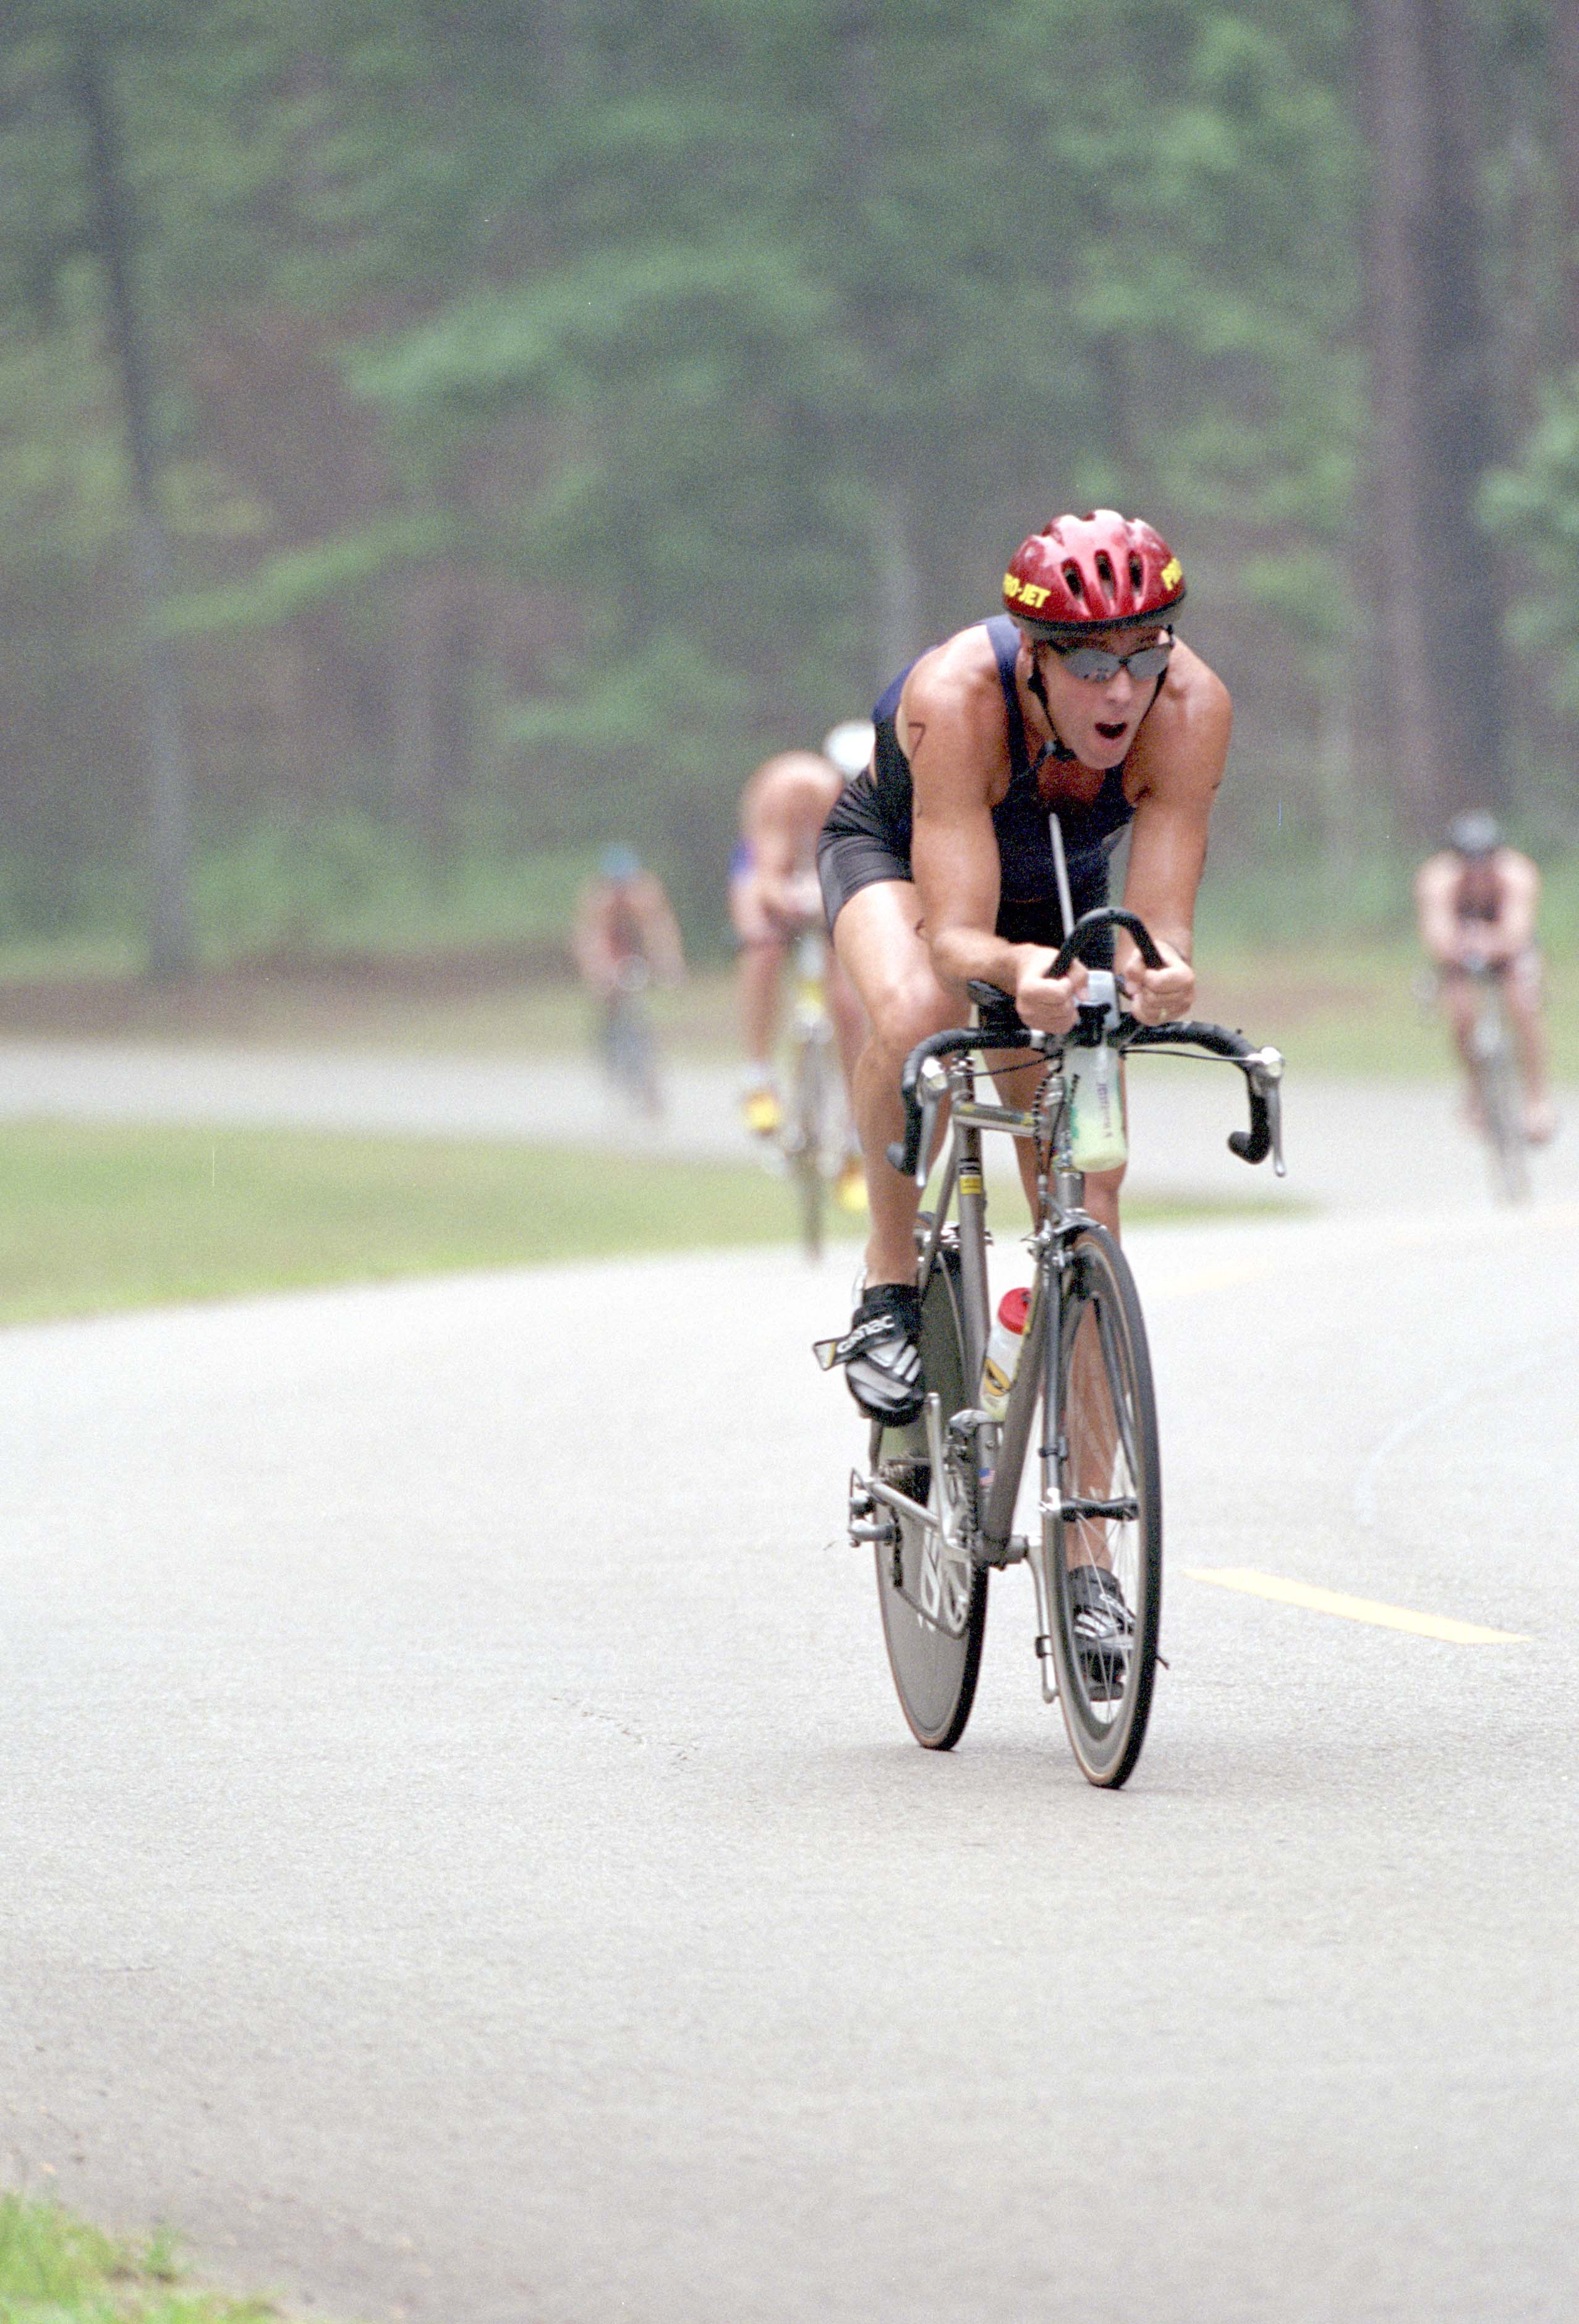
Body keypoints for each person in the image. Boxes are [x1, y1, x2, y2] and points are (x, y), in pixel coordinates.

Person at [817, 508, 1231, 1435]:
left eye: (1144, 652)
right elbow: (956, 936)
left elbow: (1159, 923)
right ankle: (887, 1283)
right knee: (924, 1007)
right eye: (1090, 662)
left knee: (1091, 1186)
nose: (1121, 689)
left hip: (1057, 891)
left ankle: (1087, 1553)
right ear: (1035, 655)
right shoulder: (956, 695)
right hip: (899, 861)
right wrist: (1015, 970)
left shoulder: (1191, 706)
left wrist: (1158, 973)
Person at [729, 723, 874, 1209]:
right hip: (779, 870)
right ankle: (757, 1077)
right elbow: (767, 873)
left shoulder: (883, 798)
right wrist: (785, 898)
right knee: (762, 943)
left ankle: (857, 1138)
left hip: (836, 879)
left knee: (851, 998)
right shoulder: (790, 788)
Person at [1414, 811, 1554, 1143]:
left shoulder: (1517, 874)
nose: (1477, 870)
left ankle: (1536, 1099)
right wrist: (1462, 948)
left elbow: (1517, 933)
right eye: (1469, 862)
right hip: (1460, 950)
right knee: (1461, 1014)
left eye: (1484, 861)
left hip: (1508, 950)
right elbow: (1437, 937)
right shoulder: (1437, 879)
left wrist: (1491, 944)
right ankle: (1476, 1093)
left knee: (1524, 1007)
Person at [571, 846, 686, 1112]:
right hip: (611, 946)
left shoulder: (646, 895)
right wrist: (599, 973)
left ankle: (648, 1080)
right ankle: (610, 1051)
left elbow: (661, 933)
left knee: (639, 1011)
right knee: (609, 997)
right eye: (616, 885)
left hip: (636, 946)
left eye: (625, 884)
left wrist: (670, 968)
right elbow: (591, 939)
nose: (621, 891)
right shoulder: (599, 900)